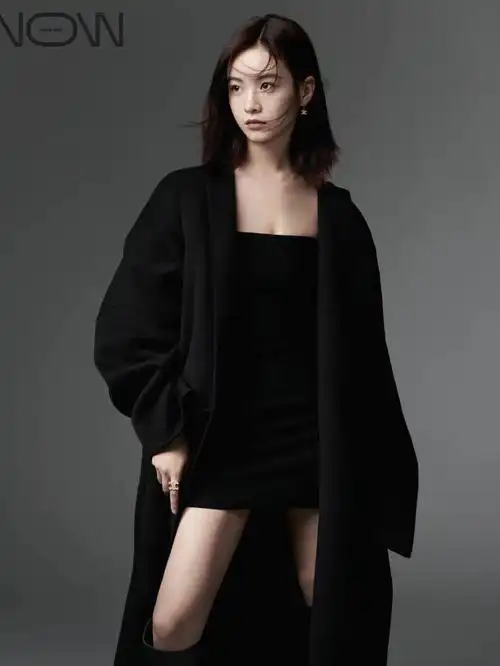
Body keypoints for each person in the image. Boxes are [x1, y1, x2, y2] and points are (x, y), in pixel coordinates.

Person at [93, 13, 419, 666]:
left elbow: (365, 362)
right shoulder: (185, 198)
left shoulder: (340, 217)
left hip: (314, 441)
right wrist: (166, 434)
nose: (250, 103)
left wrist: (375, 471)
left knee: (332, 610)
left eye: (268, 85)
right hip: (224, 438)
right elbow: (126, 330)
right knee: (174, 621)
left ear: (305, 91)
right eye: (237, 86)